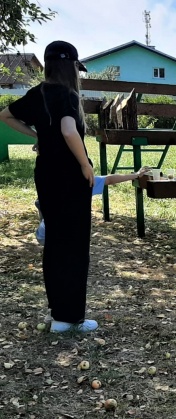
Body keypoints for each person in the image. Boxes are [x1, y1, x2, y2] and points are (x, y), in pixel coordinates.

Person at [0, 40, 97, 333]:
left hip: (46, 175)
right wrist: (85, 164)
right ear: (70, 67)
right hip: (69, 176)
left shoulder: (37, 93)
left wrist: (38, 136)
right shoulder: (66, 95)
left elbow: (5, 115)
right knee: (75, 245)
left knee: (55, 243)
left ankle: (59, 317)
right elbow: (69, 130)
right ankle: (73, 319)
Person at [35, 167, 151, 246]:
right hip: (67, 234)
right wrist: (135, 175)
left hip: (43, 234)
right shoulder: (85, 182)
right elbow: (110, 179)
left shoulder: (54, 181)